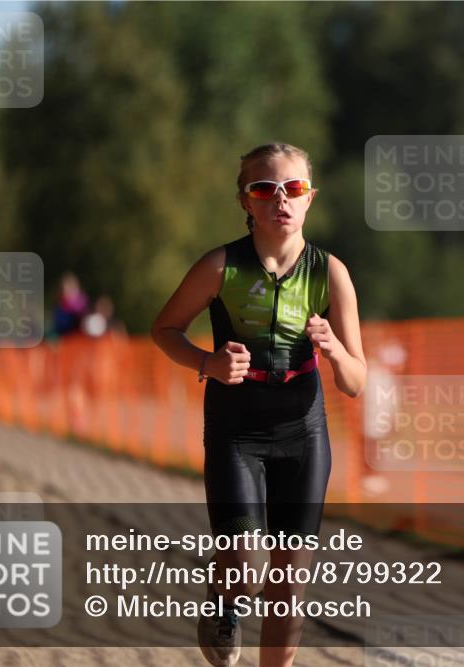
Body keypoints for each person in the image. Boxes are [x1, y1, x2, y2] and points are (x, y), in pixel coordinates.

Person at [150, 142, 367, 667]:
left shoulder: (330, 272)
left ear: (310, 198)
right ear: (246, 201)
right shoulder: (220, 265)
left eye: (293, 188)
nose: (281, 200)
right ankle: (223, 598)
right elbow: (165, 329)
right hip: (236, 429)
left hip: (303, 430)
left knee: (290, 581)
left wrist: (335, 350)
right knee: (245, 568)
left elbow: (356, 381)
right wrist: (207, 364)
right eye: (265, 189)